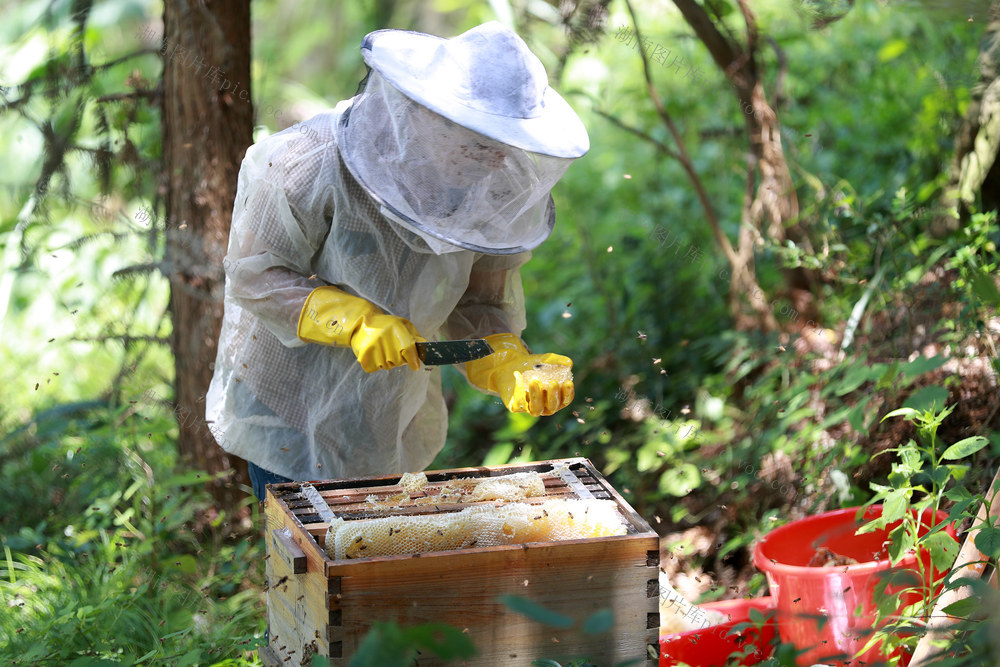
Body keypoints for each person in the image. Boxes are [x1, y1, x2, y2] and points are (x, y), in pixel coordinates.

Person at [206, 21, 590, 501]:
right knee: (306, 563)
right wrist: (351, 320)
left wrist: (506, 359)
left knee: (378, 560)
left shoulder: (493, 189)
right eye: (482, 144)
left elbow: (478, 302)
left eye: (505, 146)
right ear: (432, 118)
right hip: (289, 401)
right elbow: (255, 277)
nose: (495, 162)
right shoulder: (307, 161)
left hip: (390, 407)